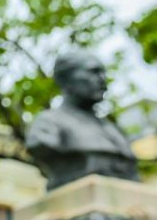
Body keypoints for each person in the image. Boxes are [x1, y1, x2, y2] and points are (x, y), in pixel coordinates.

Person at [25, 51, 139, 191]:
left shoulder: (113, 129)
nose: (102, 79)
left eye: (103, 73)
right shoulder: (48, 123)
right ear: (66, 80)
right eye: (93, 72)